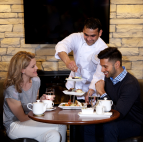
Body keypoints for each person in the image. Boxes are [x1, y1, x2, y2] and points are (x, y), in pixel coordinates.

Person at [3, 51, 67, 142]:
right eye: (33, 66)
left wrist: (40, 101)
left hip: (30, 122)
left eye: (35, 65)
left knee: (54, 135)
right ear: (22, 70)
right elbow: (22, 118)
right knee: (60, 125)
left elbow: (32, 105)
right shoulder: (12, 90)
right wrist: (39, 110)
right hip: (15, 126)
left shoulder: (36, 81)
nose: (36, 68)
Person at [82, 47, 143, 142]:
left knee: (109, 126)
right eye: (101, 66)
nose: (102, 70)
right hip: (113, 118)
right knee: (88, 124)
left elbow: (118, 113)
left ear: (117, 64)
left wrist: (102, 93)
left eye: (105, 66)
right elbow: (106, 105)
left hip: (133, 123)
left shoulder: (130, 84)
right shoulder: (108, 78)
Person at [55, 17, 108, 101]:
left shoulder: (103, 48)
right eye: (86, 34)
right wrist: (67, 61)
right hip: (74, 87)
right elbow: (61, 45)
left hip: (92, 89)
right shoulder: (76, 37)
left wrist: (90, 91)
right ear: (83, 30)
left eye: (93, 36)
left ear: (100, 33)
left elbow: (99, 74)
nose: (88, 39)